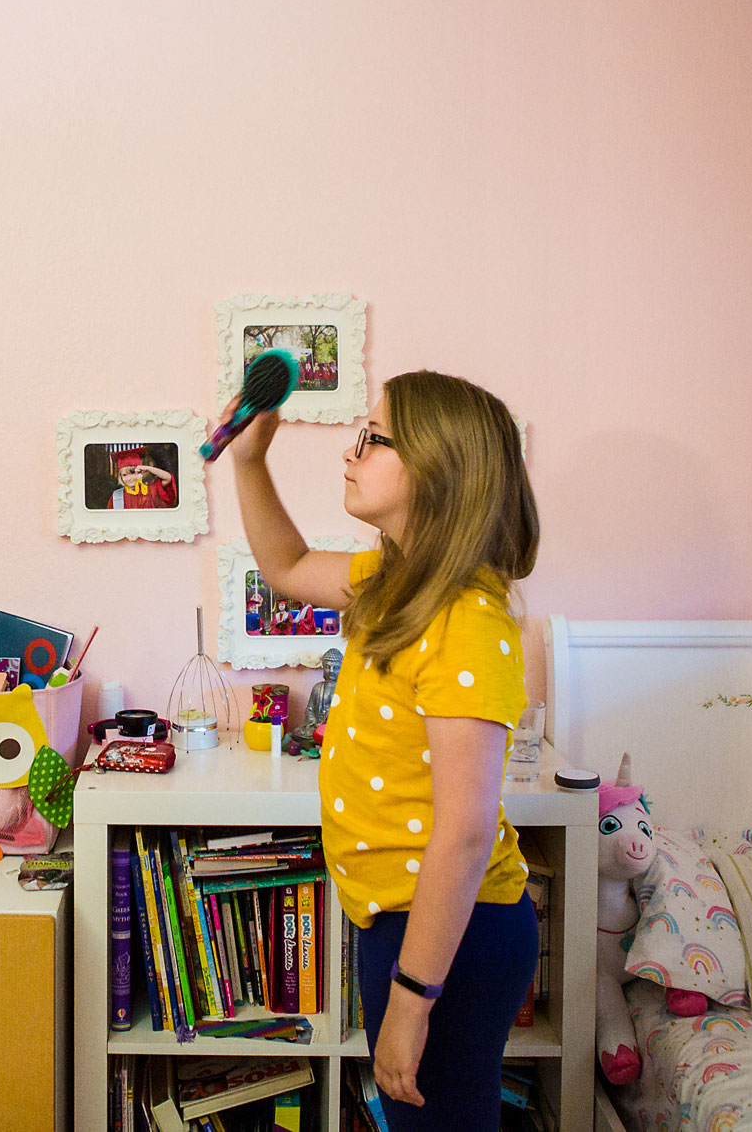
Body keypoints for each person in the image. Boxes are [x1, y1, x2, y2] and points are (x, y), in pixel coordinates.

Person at [223, 370, 539, 1130]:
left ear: (437, 468)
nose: (349, 451)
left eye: (373, 438)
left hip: (450, 935)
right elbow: (289, 567)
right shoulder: (394, 583)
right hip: (394, 918)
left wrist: (413, 995)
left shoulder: (469, 620)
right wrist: (248, 460)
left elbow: (464, 832)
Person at [107, 450, 177, 510]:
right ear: (120, 477)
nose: (129, 478)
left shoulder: (151, 490)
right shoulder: (117, 496)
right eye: (124, 475)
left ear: (140, 473)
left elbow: (168, 478)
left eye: (132, 473)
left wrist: (148, 468)